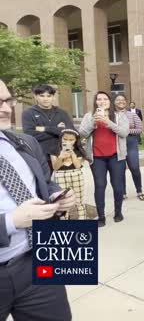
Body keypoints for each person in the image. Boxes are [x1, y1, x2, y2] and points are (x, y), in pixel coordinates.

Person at [0, 79, 75, 321]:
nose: (6, 108)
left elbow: (45, 181)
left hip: (37, 259)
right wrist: (12, 221)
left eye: (7, 100)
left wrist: (55, 195)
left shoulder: (24, 143)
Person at [78, 91, 129, 227]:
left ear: (109, 101)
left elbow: (124, 133)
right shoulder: (89, 116)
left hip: (116, 157)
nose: (102, 101)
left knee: (118, 186)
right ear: (96, 102)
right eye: (99, 99)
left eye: (105, 99)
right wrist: (94, 123)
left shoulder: (119, 116)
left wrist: (108, 122)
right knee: (100, 185)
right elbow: (82, 133)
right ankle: (101, 216)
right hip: (97, 157)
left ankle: (118, 212)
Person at [21, 84, 74, 171]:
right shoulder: (28, 113)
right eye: (42, 96)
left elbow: (71, 132)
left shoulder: (61, 113)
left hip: (61, 154)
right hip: (40, 155)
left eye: (49, 96)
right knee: (43, 183)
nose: (45, 99)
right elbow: (30, 134)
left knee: (63, 183)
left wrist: (45, 129)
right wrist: (57, 130)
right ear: (35, 96)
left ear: (53, 97)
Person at [115, 95, 144, 201]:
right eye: (118, 100)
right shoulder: (111, 116)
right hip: (117, 143)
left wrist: (126, 131)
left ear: (126, 102)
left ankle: (139, 190)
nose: (121, 102)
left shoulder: (132, 115)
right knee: (120, 169)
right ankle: (123, 192)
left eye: (123, 100)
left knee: (134, 167)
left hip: (131, 142)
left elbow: (139, 129)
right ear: (114, 102)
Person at [50, 129, 87, 220]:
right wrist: (61, 157)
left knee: (79, 201)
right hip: (60, 175)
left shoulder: (78, 150)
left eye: (71, 140)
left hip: (76, 175)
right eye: (65, 139)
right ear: (61, 139)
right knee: (63, 202)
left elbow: (78, 165)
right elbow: (55, 167)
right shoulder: (54, 149)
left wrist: (72, 153)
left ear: (75, 140)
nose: (68, 142)